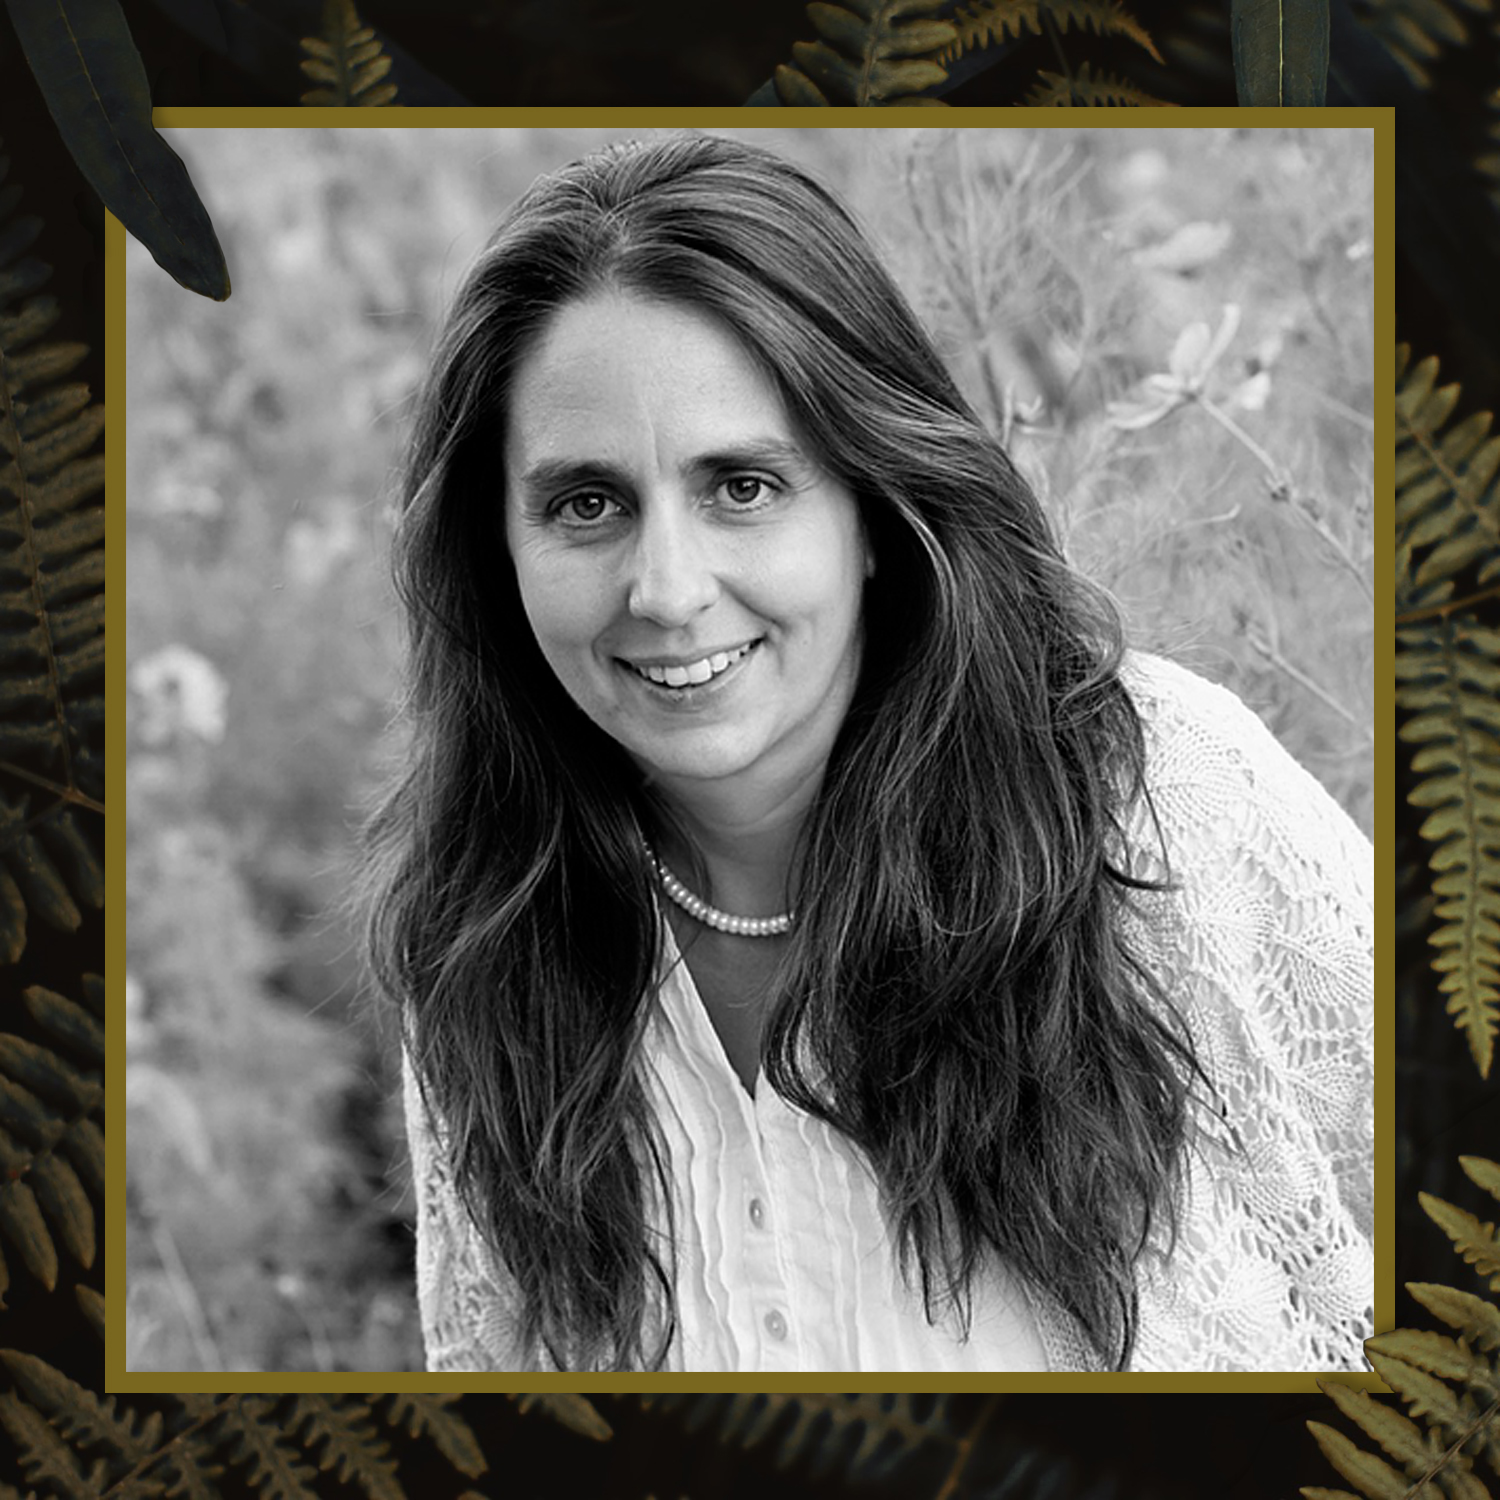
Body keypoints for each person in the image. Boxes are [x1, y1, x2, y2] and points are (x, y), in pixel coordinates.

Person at [362, 132, 1373, 1373]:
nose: (667, 590)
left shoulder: (1160, 802)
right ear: (498, 552)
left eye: (741, 487)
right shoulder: (484, 946)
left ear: (876, 508)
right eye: (587, 503)